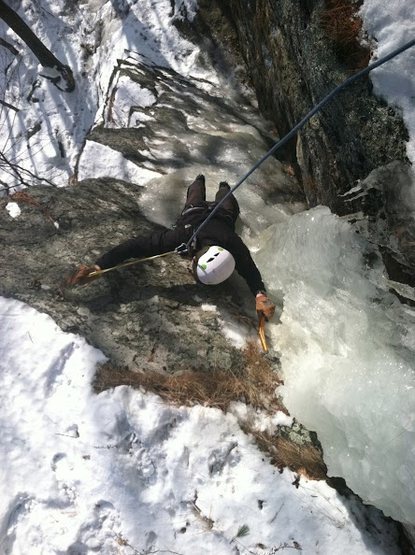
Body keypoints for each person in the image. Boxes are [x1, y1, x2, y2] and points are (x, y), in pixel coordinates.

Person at [69, 175, 275, 320]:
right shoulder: (185, 237)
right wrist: (98, 267)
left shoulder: (231, 243)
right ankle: (213, 184)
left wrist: (260, 294)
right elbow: (249, 270)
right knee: (212, 198)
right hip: (204, 215)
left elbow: (134, 247)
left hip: (211, 214)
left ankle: (211, 184)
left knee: (214, 198)